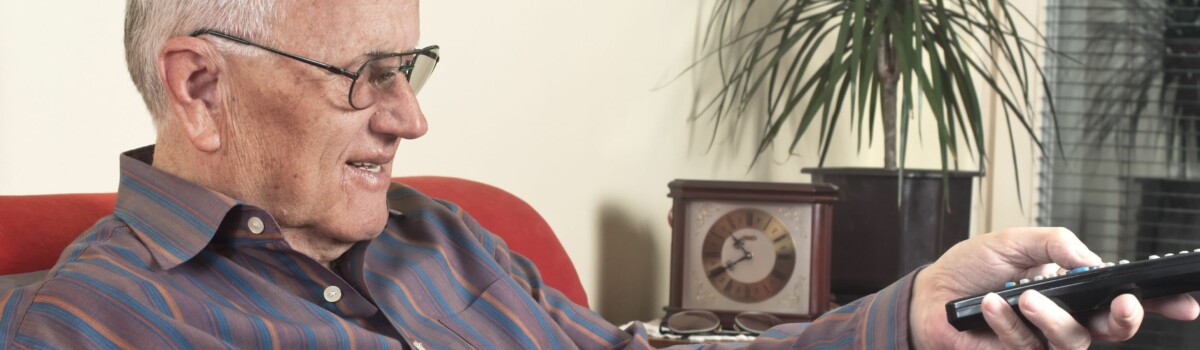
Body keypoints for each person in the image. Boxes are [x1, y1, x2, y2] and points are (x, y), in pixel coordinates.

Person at [0, 0, 1196, 348]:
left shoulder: (446, 236)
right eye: (362, 76)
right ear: (201, 88)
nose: (411, 116)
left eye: (411, 65)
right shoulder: (95, 325)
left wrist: (917, 313)